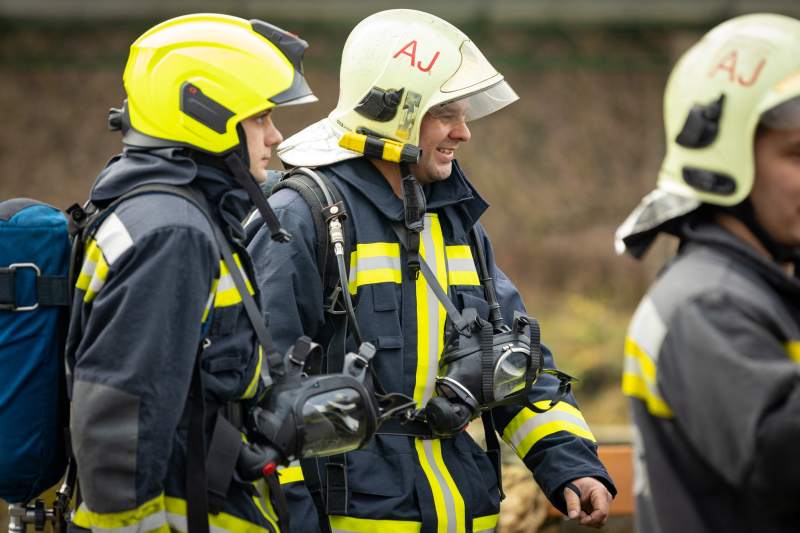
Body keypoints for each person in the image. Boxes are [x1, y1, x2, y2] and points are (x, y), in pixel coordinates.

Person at [248, 9, 615, 532]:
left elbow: (512, 361)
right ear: (390, 114)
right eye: (446, 114)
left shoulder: (455, 223)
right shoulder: (305, 216)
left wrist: (572, 466)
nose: (464, 133)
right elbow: (259, 398)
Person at [65, 14, 317, 532]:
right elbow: (118, 417)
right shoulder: (172, 233)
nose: (275, 135)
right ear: (204, 116)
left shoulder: (173, 211)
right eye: (260, 117)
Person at [616, 13, 800, 533]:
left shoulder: (766, 286)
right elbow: (783, 464)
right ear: (725, 165)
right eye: (797, 154)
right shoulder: (708, 302)